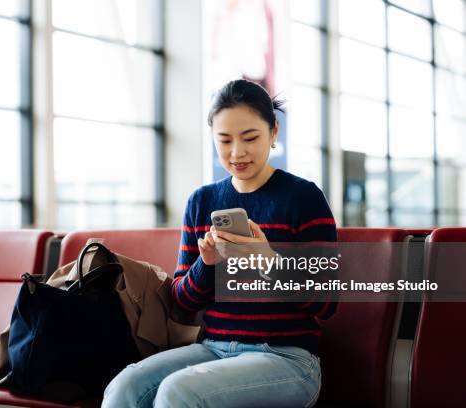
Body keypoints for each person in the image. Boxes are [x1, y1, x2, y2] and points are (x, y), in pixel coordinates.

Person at [102, 79, 337, 408]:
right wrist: (206, 264)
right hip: (214, 347)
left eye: (250, 137)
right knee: (124, 386)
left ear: (273, 133)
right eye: (224, 140)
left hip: (288, 359)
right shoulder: (202, 201)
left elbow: (326, 302)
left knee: (178, 391)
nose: (237, 152)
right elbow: (180, 304)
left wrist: (268, 261)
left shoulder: (303, 198)